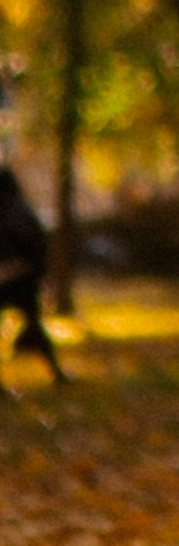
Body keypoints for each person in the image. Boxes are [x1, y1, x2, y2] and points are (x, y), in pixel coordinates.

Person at [0, 151, 64, 382]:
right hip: (23, 278)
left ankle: (55, 371)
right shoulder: (20, 210)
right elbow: (36, 244)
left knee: (34, 324)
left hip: (10, 278)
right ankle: (55, 372)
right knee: (34, 323)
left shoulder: (10, 211)